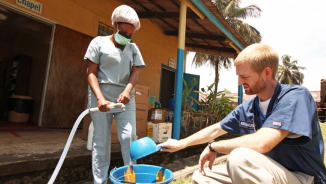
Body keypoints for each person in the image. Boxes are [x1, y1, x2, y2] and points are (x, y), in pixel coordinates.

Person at [159, 43, 326, 184]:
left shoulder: (295, 97)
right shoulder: (248, 107)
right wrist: (181, 144)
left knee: (239, 158)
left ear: (266, 73)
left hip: (301, 177)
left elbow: (262, 143)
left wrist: (213, 146)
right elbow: (216, 129)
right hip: (265, 172)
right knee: (203, 177)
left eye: (244, 76)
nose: (239, 82)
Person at [84, 5, 145, 184]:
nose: (126, 37)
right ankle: (100, 181)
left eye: (130, 34)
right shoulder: (98, 43)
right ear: (114, 25)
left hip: (125, 100)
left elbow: (135, 72)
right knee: (101, 142)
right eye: (123, 32)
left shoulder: (133, 48)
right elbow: (91, 73)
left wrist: (127, 91)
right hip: (101, 99)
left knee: (129, 137)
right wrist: (100, 98)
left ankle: (130, 179)